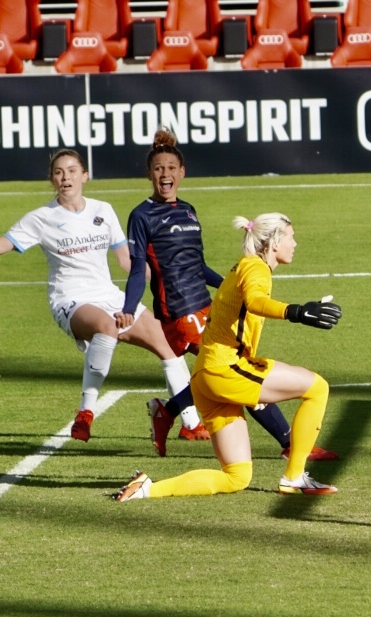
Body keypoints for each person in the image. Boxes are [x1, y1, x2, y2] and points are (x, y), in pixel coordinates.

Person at [116, 128, 338, 462]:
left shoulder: (188, 211)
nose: (165, 174)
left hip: (205, 304)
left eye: (171, 168)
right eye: (158, 168)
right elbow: (137, 268)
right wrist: (129, 307)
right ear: (149, 174)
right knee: (234, 371)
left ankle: (168, 411)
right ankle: (289, 443)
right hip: (177, 310)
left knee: (221, 373)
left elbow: (198, 264)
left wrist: (231, 289)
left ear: (182, 172)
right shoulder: (141, 216)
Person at [0, 148, 195, 442]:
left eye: (71, 171)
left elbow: (126, 261)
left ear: (85, 176)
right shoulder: (41, 218)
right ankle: (85, 413)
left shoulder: (103, 210)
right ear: (52, 180)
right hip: (70, 300)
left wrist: (164, 275)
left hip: (108, 295)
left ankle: (191, 423)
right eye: (58, 172)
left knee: (168, 344)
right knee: (106, 326)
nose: (65, 177)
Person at [112, 212, 343, 502]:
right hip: (225, 368)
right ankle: (295, 477)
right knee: (317, 387)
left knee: (236, 477)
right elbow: (256, 302)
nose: (295, 243)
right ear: (274, 242)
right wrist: (295, 312)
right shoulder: (256, 268)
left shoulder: (245, 266)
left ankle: (146, 489)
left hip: (206, 377)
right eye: (291, 237)